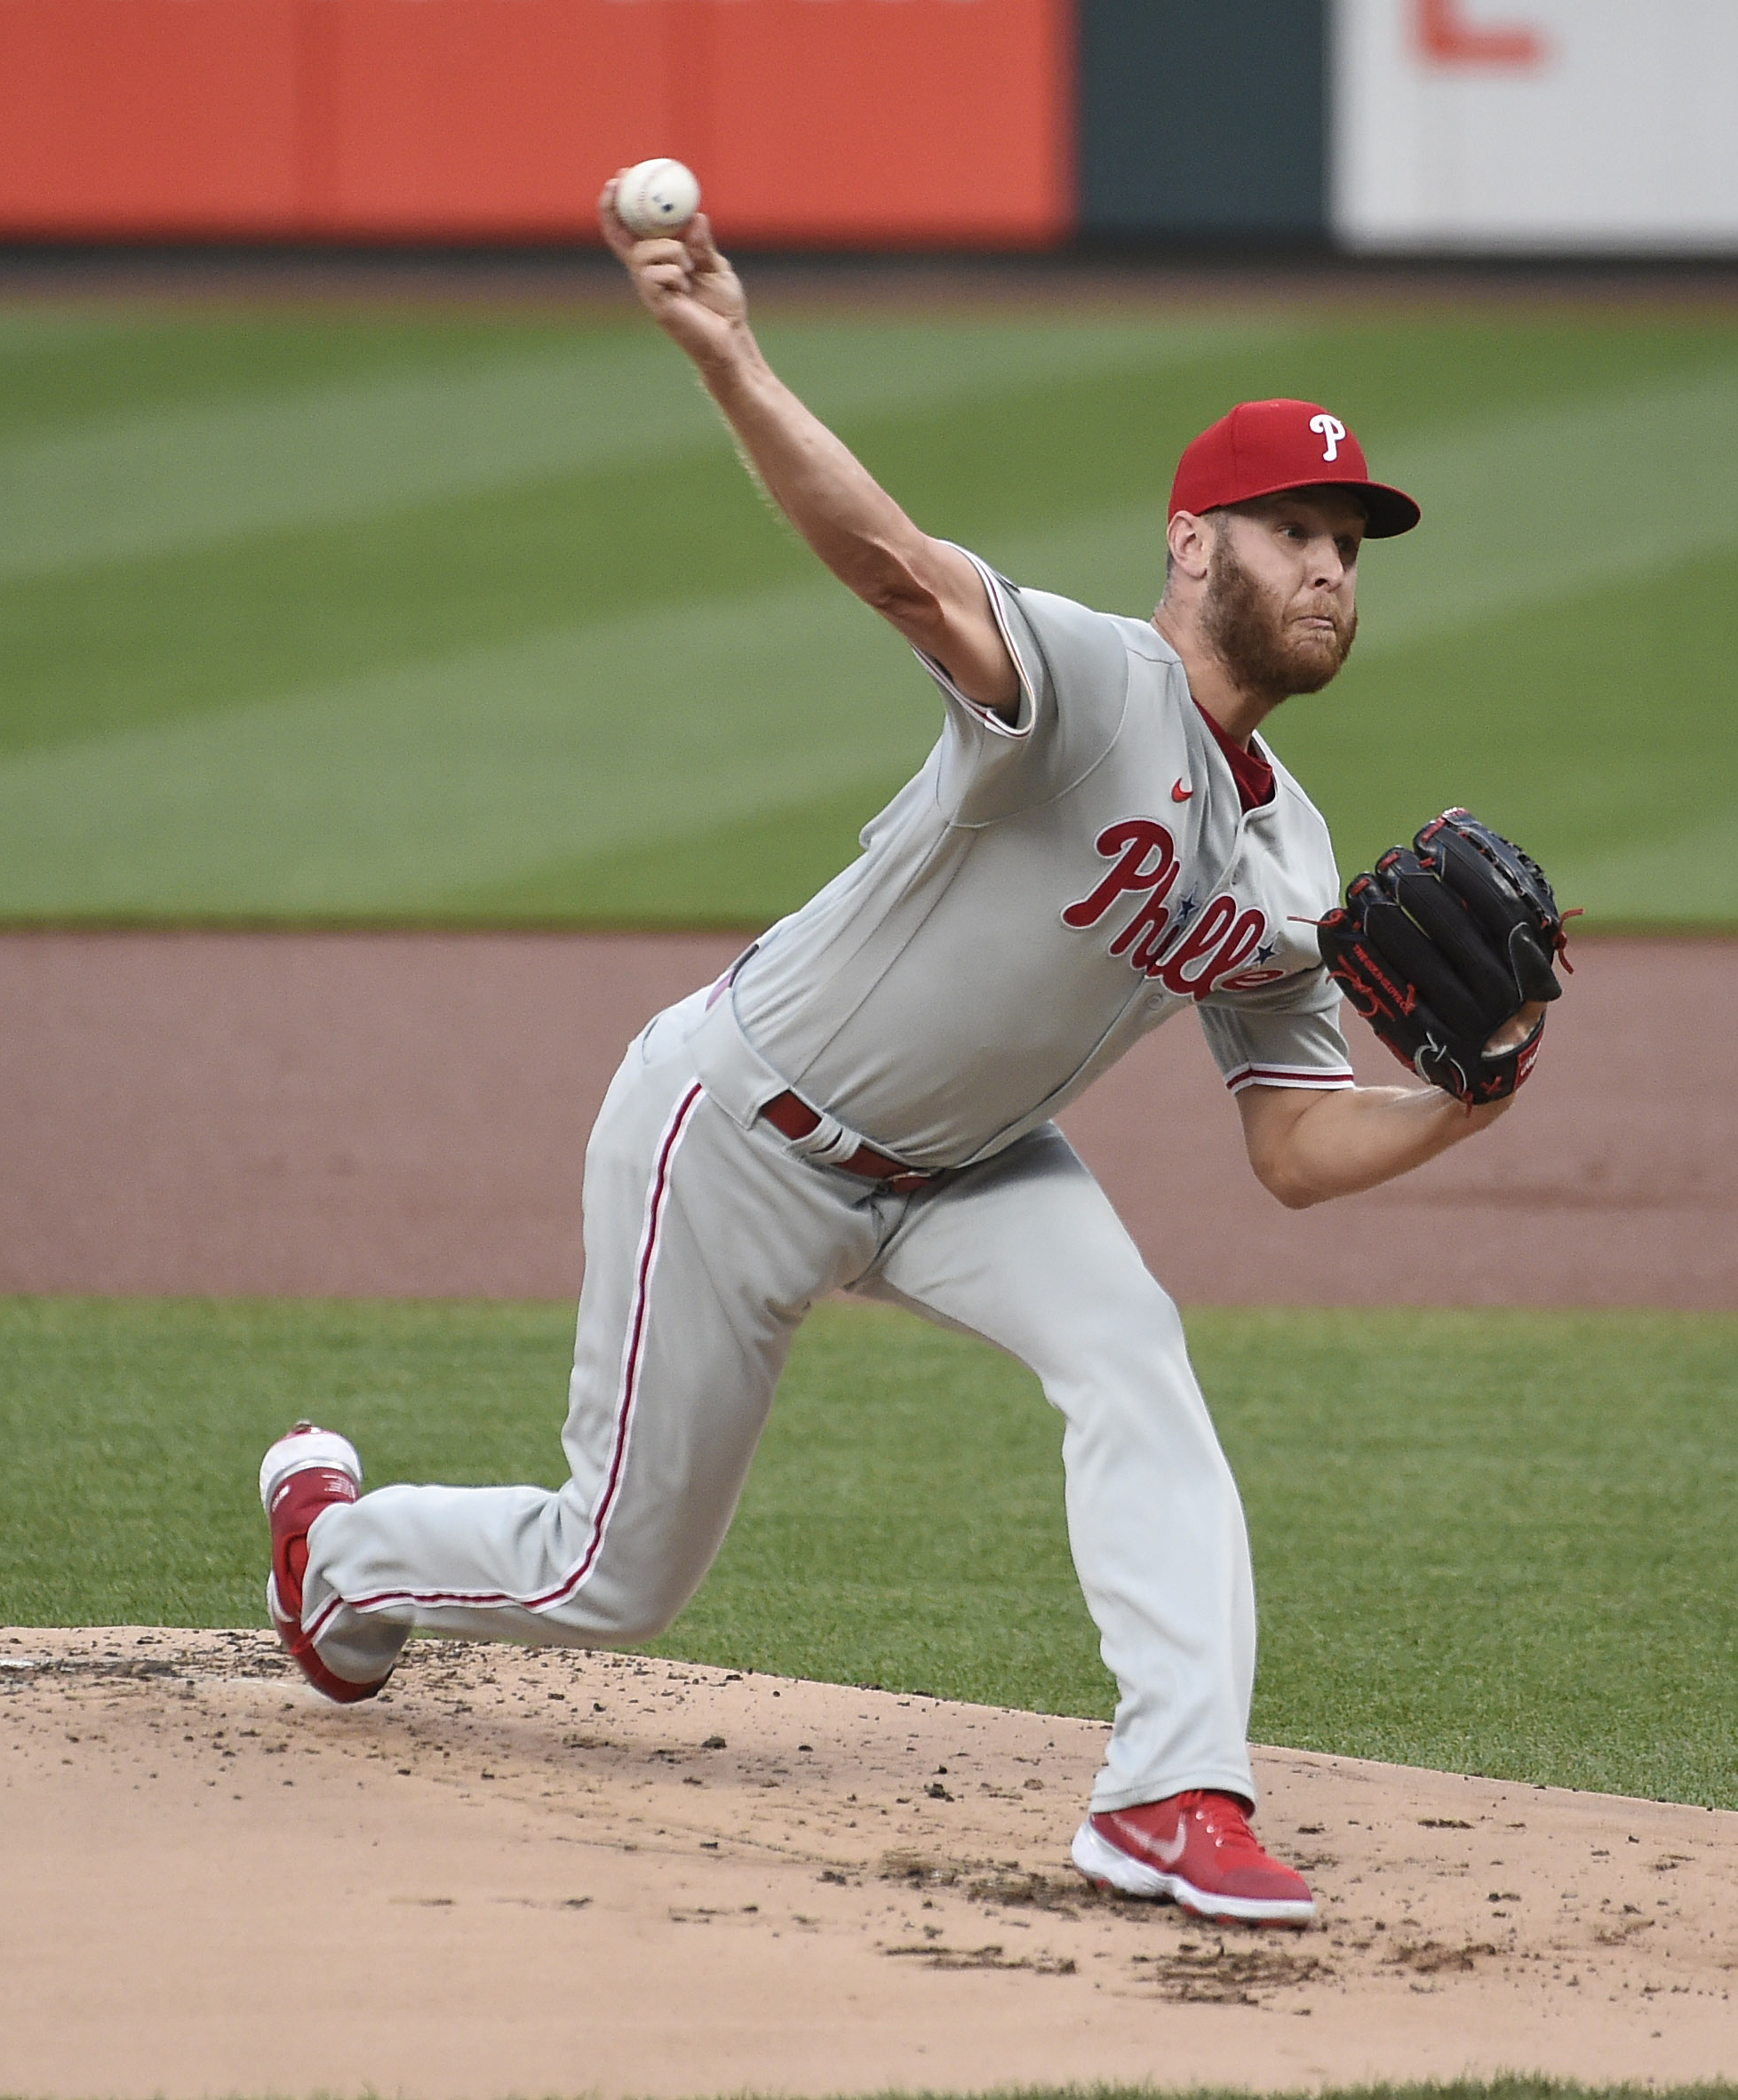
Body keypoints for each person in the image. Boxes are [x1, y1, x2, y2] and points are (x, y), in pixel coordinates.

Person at [256, 186, 1544, 1929]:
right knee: (615, 1572)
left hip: (968, 1172)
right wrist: (727, 351)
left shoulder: (1293, 859)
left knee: (1135, 1357)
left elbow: (1297, 1150)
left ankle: (1170, 1796)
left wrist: (1464, 1107)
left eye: (1350, 541)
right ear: (1190, 547)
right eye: (1291, 527)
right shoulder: (1089, 683)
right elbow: (890, 562)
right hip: (739, 1130)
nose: (1328, 565)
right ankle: (336, 1555)